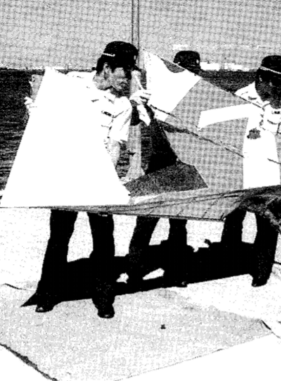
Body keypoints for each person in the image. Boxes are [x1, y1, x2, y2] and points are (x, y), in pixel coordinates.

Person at [32, 41, 148, 318]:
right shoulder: (71, 85)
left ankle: (104, 296)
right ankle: (48, 293)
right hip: (66, 176)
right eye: (124, 72)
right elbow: (47, 123)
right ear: (106, 67)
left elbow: (115, 144)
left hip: (98, 177)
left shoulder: (122, 105)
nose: (127, 79)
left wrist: (105, 180)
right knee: (59, 238)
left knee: (104, 241)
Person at [220, 55, 281, 287]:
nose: (275, 87)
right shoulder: (240, 96)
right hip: (242, 166)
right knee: (234, 216)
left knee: (268, 221)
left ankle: (261, 270)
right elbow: (227, 133)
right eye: (272, 81)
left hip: (269, 170)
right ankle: (227, 259)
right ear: (260, 77)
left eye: (280, 82)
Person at [125, 51, 202, 288]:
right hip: (159, 162)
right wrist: (138, 103)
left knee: (179, 221)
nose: (191, 74)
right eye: (187, 70)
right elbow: (135, 122)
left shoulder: (199, 98)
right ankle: (134, 268)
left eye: (194, 71)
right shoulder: (157, 96)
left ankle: (177, 271)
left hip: (184, 164)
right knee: (147, 217)